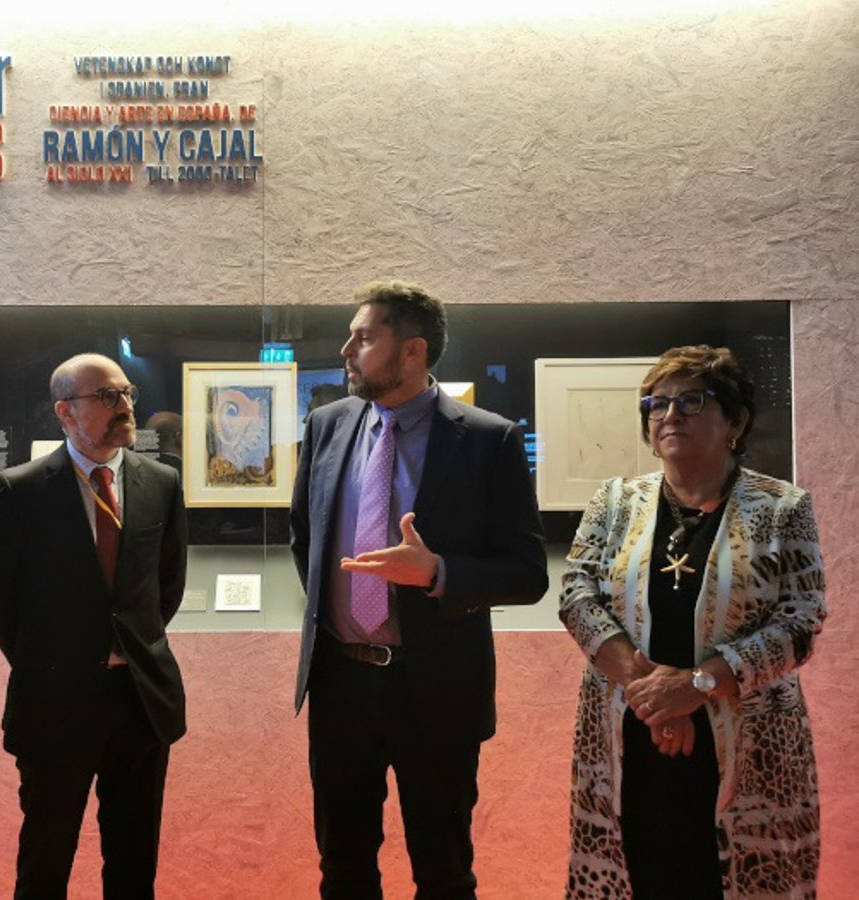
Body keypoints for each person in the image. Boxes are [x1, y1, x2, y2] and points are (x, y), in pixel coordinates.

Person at [291, 281, 548, 899]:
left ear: (413, 351)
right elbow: (306, 534)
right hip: (340, 682)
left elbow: (527, 572)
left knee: (444, 870)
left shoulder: (487, 439)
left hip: (436, 684)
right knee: (343, 867)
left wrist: (437, 573)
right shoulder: (327, 425)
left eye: (364, 337)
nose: (346, 350)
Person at [559, 345, 826, 899]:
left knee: (733, 879)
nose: (669, 415)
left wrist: (697, 686)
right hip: (628, 736)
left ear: (735, 422)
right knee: (638, 869)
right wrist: (655, 695)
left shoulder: (783, 507)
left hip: (749, 744)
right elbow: (576, 595)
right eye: (656, 404)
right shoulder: (615, 501)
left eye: (691, 401)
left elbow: (801, 621)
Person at [0, 353, 188, 900]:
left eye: (127, 394)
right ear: (65, 412)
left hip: (140, 700)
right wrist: (55, 661)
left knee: (134, 861)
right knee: (46, 858)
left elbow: (166, 587)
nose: (125, 407)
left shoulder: (161, 482)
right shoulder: (21, 490)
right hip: (55, 704)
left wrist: (125, 646)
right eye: (107, 397)